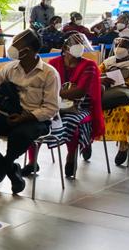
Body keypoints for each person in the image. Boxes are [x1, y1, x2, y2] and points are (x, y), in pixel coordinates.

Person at [0, 29, 60, 194]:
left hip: (35, 119)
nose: (12, 47)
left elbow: (51, 108)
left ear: (28, 50)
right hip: (8, 115)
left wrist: (25, 117)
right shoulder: (9, 68)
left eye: (16, 44)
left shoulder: (49, 74)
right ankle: (10, 169)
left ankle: (2, 168)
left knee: (20, 135)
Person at [24, 32, 103, 179]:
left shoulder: (89, 65)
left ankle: (71, 156)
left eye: (81, 44)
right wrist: (53, 95)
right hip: (53, 104)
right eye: (75, 44)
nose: (79, 47)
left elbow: (80, 91)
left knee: (71, 122)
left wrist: (53, 93)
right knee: (34, 120)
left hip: (79, 106)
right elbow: (44, 85)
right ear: (65, 47)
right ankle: (32, 161)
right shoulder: (54, 63)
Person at [100, 36, 129, 165]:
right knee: (88, 110)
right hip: (106, 95)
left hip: (128, 99)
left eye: (124, 46)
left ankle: (123, 146)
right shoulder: (108, 62)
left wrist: (118, 81)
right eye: (118, 45)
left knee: (124, 112)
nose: (119, 48)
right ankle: (87, 142)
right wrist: (104, 79)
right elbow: (96, 75)